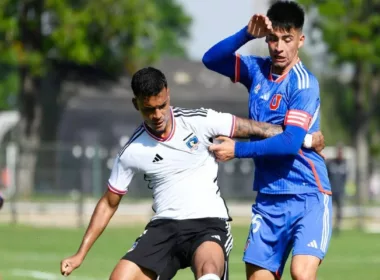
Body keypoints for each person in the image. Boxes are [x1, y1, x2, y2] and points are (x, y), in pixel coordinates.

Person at [60, 67, 325, 280]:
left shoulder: (198, 120)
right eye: (148, 109)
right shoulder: (132, 150)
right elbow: (109, 203)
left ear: (168, 94)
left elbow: (252, 128)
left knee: (209, 271)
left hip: (208, 224)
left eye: (162, 105)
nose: (157, 115)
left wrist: (304, 140)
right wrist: (80, 253)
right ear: (136, 104)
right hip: (163, 228)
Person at [202, 1, 332, 280]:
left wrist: (237, 149)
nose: (279, 47)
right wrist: (246, 34)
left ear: (301, 39)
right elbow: (211, 59)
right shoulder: (256, 71)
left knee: (301, 273)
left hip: (307, 195)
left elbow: (288, 144)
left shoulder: (303, 83)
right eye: (273, 39)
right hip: (268, 198)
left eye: (287, 39)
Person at [326, 143, 347, 234]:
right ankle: (327, 225)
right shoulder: (330, 163)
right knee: (329, 209)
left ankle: (337, 226)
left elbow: (345, 178)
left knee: (339, 210)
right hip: (330, 190)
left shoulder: (344, 164)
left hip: (340, 191)